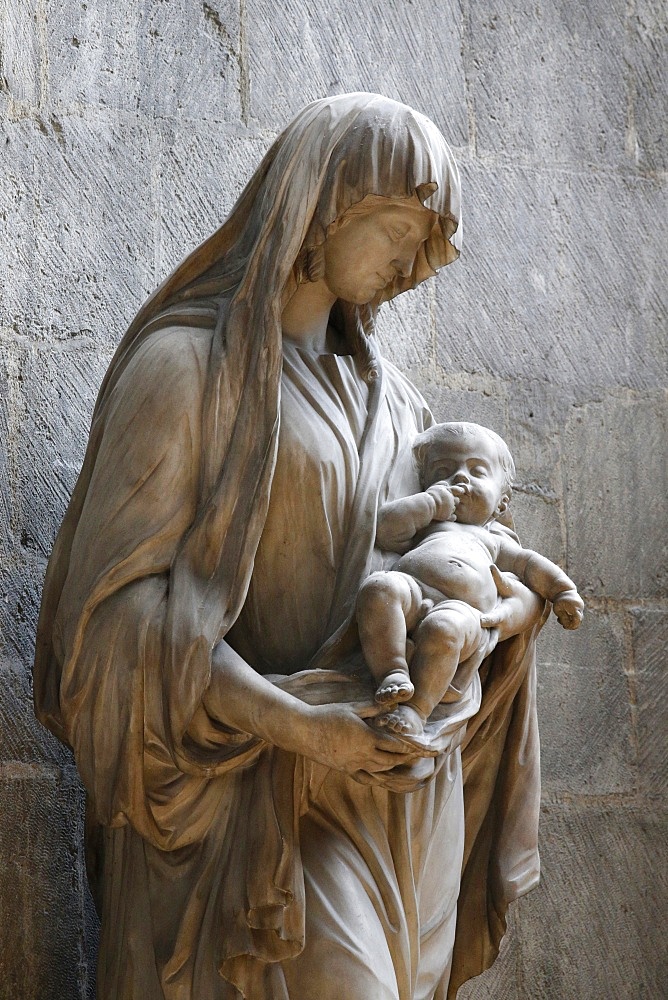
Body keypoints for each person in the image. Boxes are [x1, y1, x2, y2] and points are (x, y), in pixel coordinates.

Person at [33, 94, 545, 999]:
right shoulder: (187, 372)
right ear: (326, 201)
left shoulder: (406, 413)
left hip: (403, 806)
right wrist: (302, 726)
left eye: (427, 245)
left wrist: (512, 610)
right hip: (258, 805)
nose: (413, 265)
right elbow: (109, 630)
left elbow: (472, 557)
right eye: (400, 229)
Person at [357, 421, 584, 736]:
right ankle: (393, 671)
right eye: (443, 469)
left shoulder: (492, 540)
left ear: (501, 501)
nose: (459, 476)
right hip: (413, 588)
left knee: (442, 630)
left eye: (477, 471)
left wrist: (563, 592)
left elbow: (530, 565)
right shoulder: (426, 523)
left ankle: (416, 711)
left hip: (462, 611)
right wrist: (430, 504)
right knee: (379, 588)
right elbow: (384, 528)